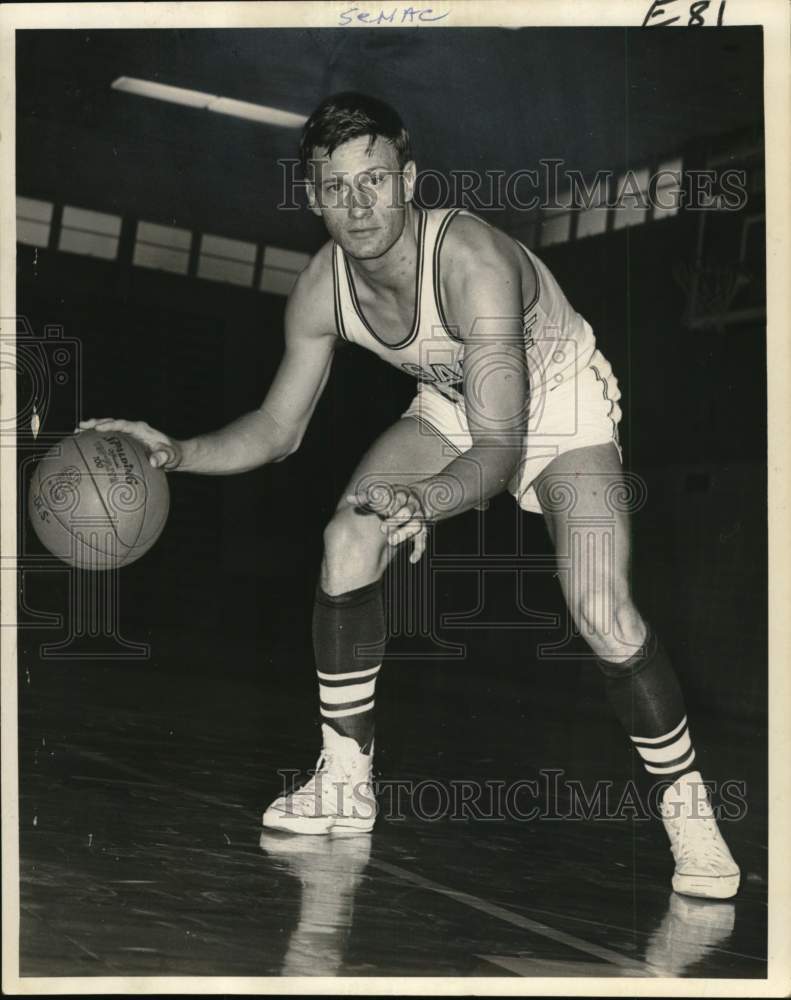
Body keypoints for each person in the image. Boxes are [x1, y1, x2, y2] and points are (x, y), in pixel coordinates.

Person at [80, 92, 740, 899]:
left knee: (602, 610)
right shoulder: (322, 288)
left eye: (375, 183)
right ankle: (346, 783)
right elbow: (278, 428)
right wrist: (173, 453)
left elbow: (500, 453)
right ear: (312, 195)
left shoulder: (471, 266)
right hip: (456, 404)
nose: (357, 206)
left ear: (409, 181)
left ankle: (688, 809)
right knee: (345, 538)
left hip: (559, 408)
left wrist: (427, 500)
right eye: (335, 187)